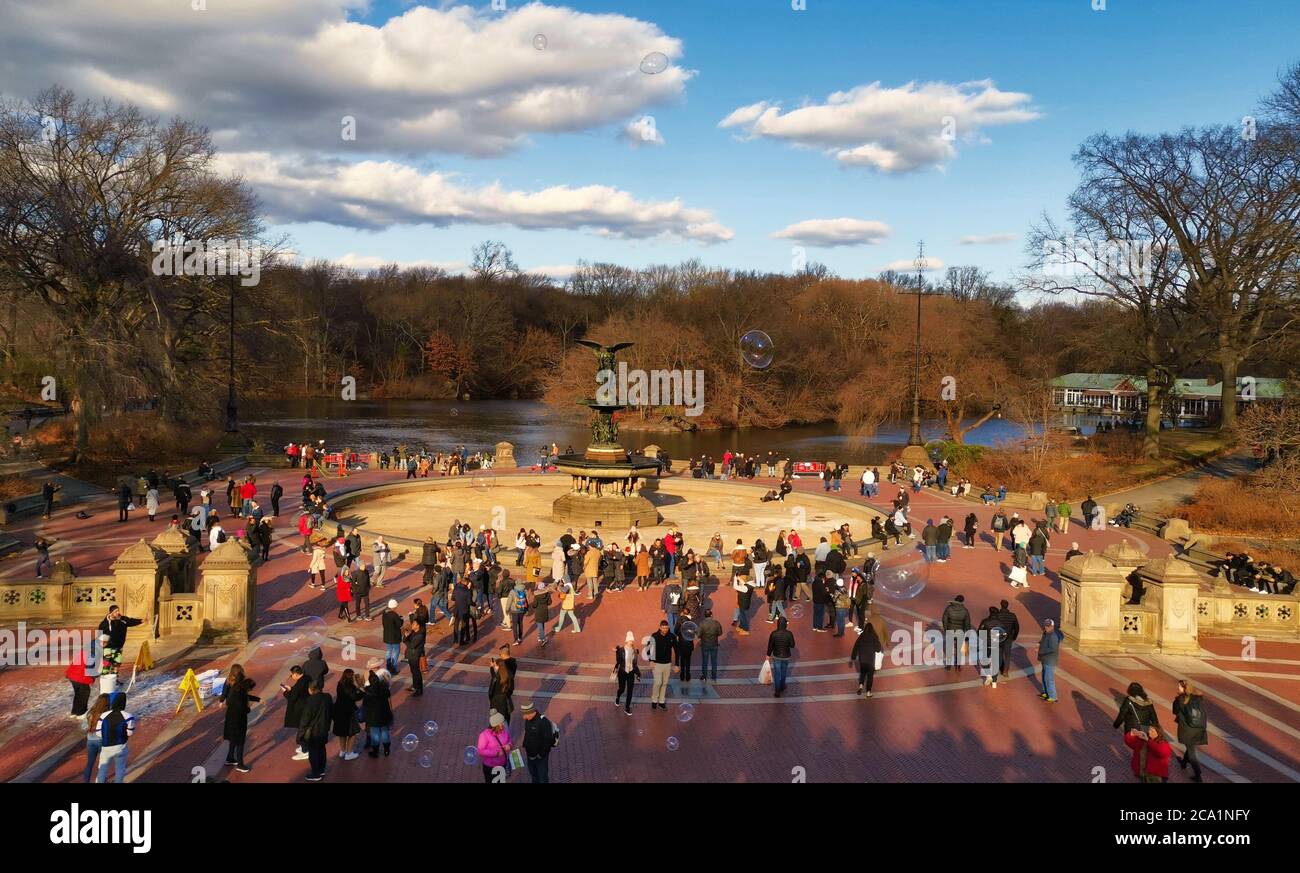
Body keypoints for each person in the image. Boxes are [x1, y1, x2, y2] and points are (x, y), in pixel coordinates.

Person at [220, 663, 259, 772]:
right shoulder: (240, 690)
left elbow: (242, 696)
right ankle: (240, 765)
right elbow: (243, 704)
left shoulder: (234, 686)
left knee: (233, 738)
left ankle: (230, 758)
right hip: (238, 718)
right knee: (240, 741)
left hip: (230, 716)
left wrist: (258, 699)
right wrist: (248, 709)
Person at [94, 691, 134, 783]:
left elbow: (98, 733)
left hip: (106, 747)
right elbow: (130, 733)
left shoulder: (104, 715)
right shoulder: (128, 716)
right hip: (121, 747)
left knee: (102, 769)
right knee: (120, 769)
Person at [1172, 680, 1208, 782]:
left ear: (1184, 688)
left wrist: (1177, 699)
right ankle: (1183, 763)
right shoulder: (1198, 698)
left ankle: (1198, 775)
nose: (1177, 688)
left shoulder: (1181, 699)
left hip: (1187, 729)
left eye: (1179, 687)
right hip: (1199, 727)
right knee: (1190, 746)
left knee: (1192, 752)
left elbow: (1175, 711)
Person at [300, 680, 333, 781]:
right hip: (324, 728)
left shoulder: (310, 701)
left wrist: (301, 733)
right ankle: (321, 769)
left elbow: (305, 718)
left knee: (313, 752)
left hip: (313, 731)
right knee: (322, 749)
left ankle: (315, 774)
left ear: (311, 689)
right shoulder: (327, 697)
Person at [520, 701, 557, 783]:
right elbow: (528, 734)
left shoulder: (544, 722)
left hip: (540, 757)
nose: (524, 717)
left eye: (524, 714)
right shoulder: (528, 720)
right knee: (534, 776)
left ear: (530, 712)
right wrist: (525, 745)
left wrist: (541, 754)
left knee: (542, 778)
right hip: (530, 755)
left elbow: (547, 741)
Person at [332, 669, 363, 761]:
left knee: (342, 733)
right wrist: (359, 688)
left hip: (338, 711)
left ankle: (343, 751)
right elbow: (356, 697)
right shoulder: (350, 687)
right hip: (348, 713)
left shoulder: (340, 684)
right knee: (352, 733)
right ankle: (349, 753)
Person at [363, 670, 393, 757]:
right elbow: (388, 695)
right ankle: (386, 750)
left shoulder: (368, 691)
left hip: (373, 717)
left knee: (375, 734)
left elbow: (365, 704)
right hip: (384, 714)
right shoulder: (384, 688)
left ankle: (375, 752)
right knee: (385, 732)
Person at [477, 710, 513, 782]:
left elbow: (510, 741)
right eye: (501, 723)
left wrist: (509, 745)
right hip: (491, 767)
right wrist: (496, 753)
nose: (503, 724)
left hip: (502, 764)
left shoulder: (504, 731)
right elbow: (481, 751)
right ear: (495, 725)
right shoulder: (484, 735)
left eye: (503, 722)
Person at [648, 620, 677, 710]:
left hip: (667, 664)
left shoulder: (672, 636)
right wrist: (651, 660)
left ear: (668, 627)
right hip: (657, 664)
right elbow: (649, 649)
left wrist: (677, 664)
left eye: (666, 628)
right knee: (658, 682)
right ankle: (654, 700)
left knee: (664, 683)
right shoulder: (654, 636)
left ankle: (661, 702)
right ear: (660, 627)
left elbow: (677, 650)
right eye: (663, 628)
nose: (665, 629)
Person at [82, 693, 111, 783]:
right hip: (102, 740)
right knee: (103, 763)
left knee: (89, 764)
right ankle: (102, 780)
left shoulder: (90, 713)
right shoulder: (106, 714)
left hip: (90, 740)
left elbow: (83, 727)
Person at [765, 617, 796, 697]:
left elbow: (770, 646)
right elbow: (792, 645)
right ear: (785, 624)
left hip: (776, 656)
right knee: (784, 672)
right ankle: (782, 686)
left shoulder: (774, 633)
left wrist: (768, 655)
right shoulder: (789, 633)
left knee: (777, 673)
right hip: (786, 656)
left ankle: (777, 691)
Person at [940, 594, 971, 671]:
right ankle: (958, 665)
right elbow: (967, 624)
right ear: (962, 601)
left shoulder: (949, 608)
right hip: (960, 632)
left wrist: (946, 629)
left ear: (955, 600)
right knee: (959, 649)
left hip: (950, 630)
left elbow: (944, 619)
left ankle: (948, 666)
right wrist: (967, 634)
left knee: (949, 648)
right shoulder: (965, 611)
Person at [489, 645, 518, 723]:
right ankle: (506, 730)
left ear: (503, 654)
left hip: (499, 695)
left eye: (500, 654)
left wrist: (493, 668)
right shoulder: (513, 663)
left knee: (499, 715)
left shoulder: (502, 665)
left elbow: (495, 677)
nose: (500, 656)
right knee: (506, 714)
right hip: (506, 693)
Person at [614, 631, 640, 715]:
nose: (631, 642)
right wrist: (617, 652)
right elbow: (618, 661)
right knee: (622, 689)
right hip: (622, 672)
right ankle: (618, 696)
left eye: (632, 641)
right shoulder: (621, 650)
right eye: (630, 641)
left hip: (631, 673)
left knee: (630, 691)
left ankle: (627, 707)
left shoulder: (635, 651)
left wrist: (638, 673)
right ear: (626, 641)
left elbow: (635, 664)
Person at [1037, 619, 1061, 703]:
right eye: (1046, 626)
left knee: (1049, 678)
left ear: (1052, 626)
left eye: (1048, 626)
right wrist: (1040, 643)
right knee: (1044, 676)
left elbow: (1052, 648)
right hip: (1044, 658)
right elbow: (1044, 642)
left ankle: (1053, 696)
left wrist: (1041, 651)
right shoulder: (1046, 633)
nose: (1047, 627)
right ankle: (1046, 692)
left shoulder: (1053, 636)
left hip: (1050, 660)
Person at [697, 609, 723, 683]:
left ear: (705, 615)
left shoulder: (702, 623)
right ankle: (714, 677)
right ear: (711, 615)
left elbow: (698, 635)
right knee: (714, 661)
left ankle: (704, 676)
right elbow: (720, 633)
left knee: (705, 661)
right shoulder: (716, 623)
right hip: (714, 644)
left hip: (705, 645)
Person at [404, 612, 426, 697]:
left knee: (416, 672)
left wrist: (406, 638)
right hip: (411, 654)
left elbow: (412, 645)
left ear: (418, 626)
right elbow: (406, 640)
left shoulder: (420, 635)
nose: (412, 624)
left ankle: (419, 689)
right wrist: (406, 635)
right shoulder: (414, 632)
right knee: (413, 671)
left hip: (414, 655)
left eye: (414, 623)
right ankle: (414, 686)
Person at [381, 600, 403, 673]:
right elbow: (399, 624)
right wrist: (401, 619)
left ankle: (388, 665)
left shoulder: (384, 614)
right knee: (396, 651)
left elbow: (384, 624)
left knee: (389, 651)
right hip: (395, 636)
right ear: (395, 606)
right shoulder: (394, 615)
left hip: (387, 636)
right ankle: (393, 667)